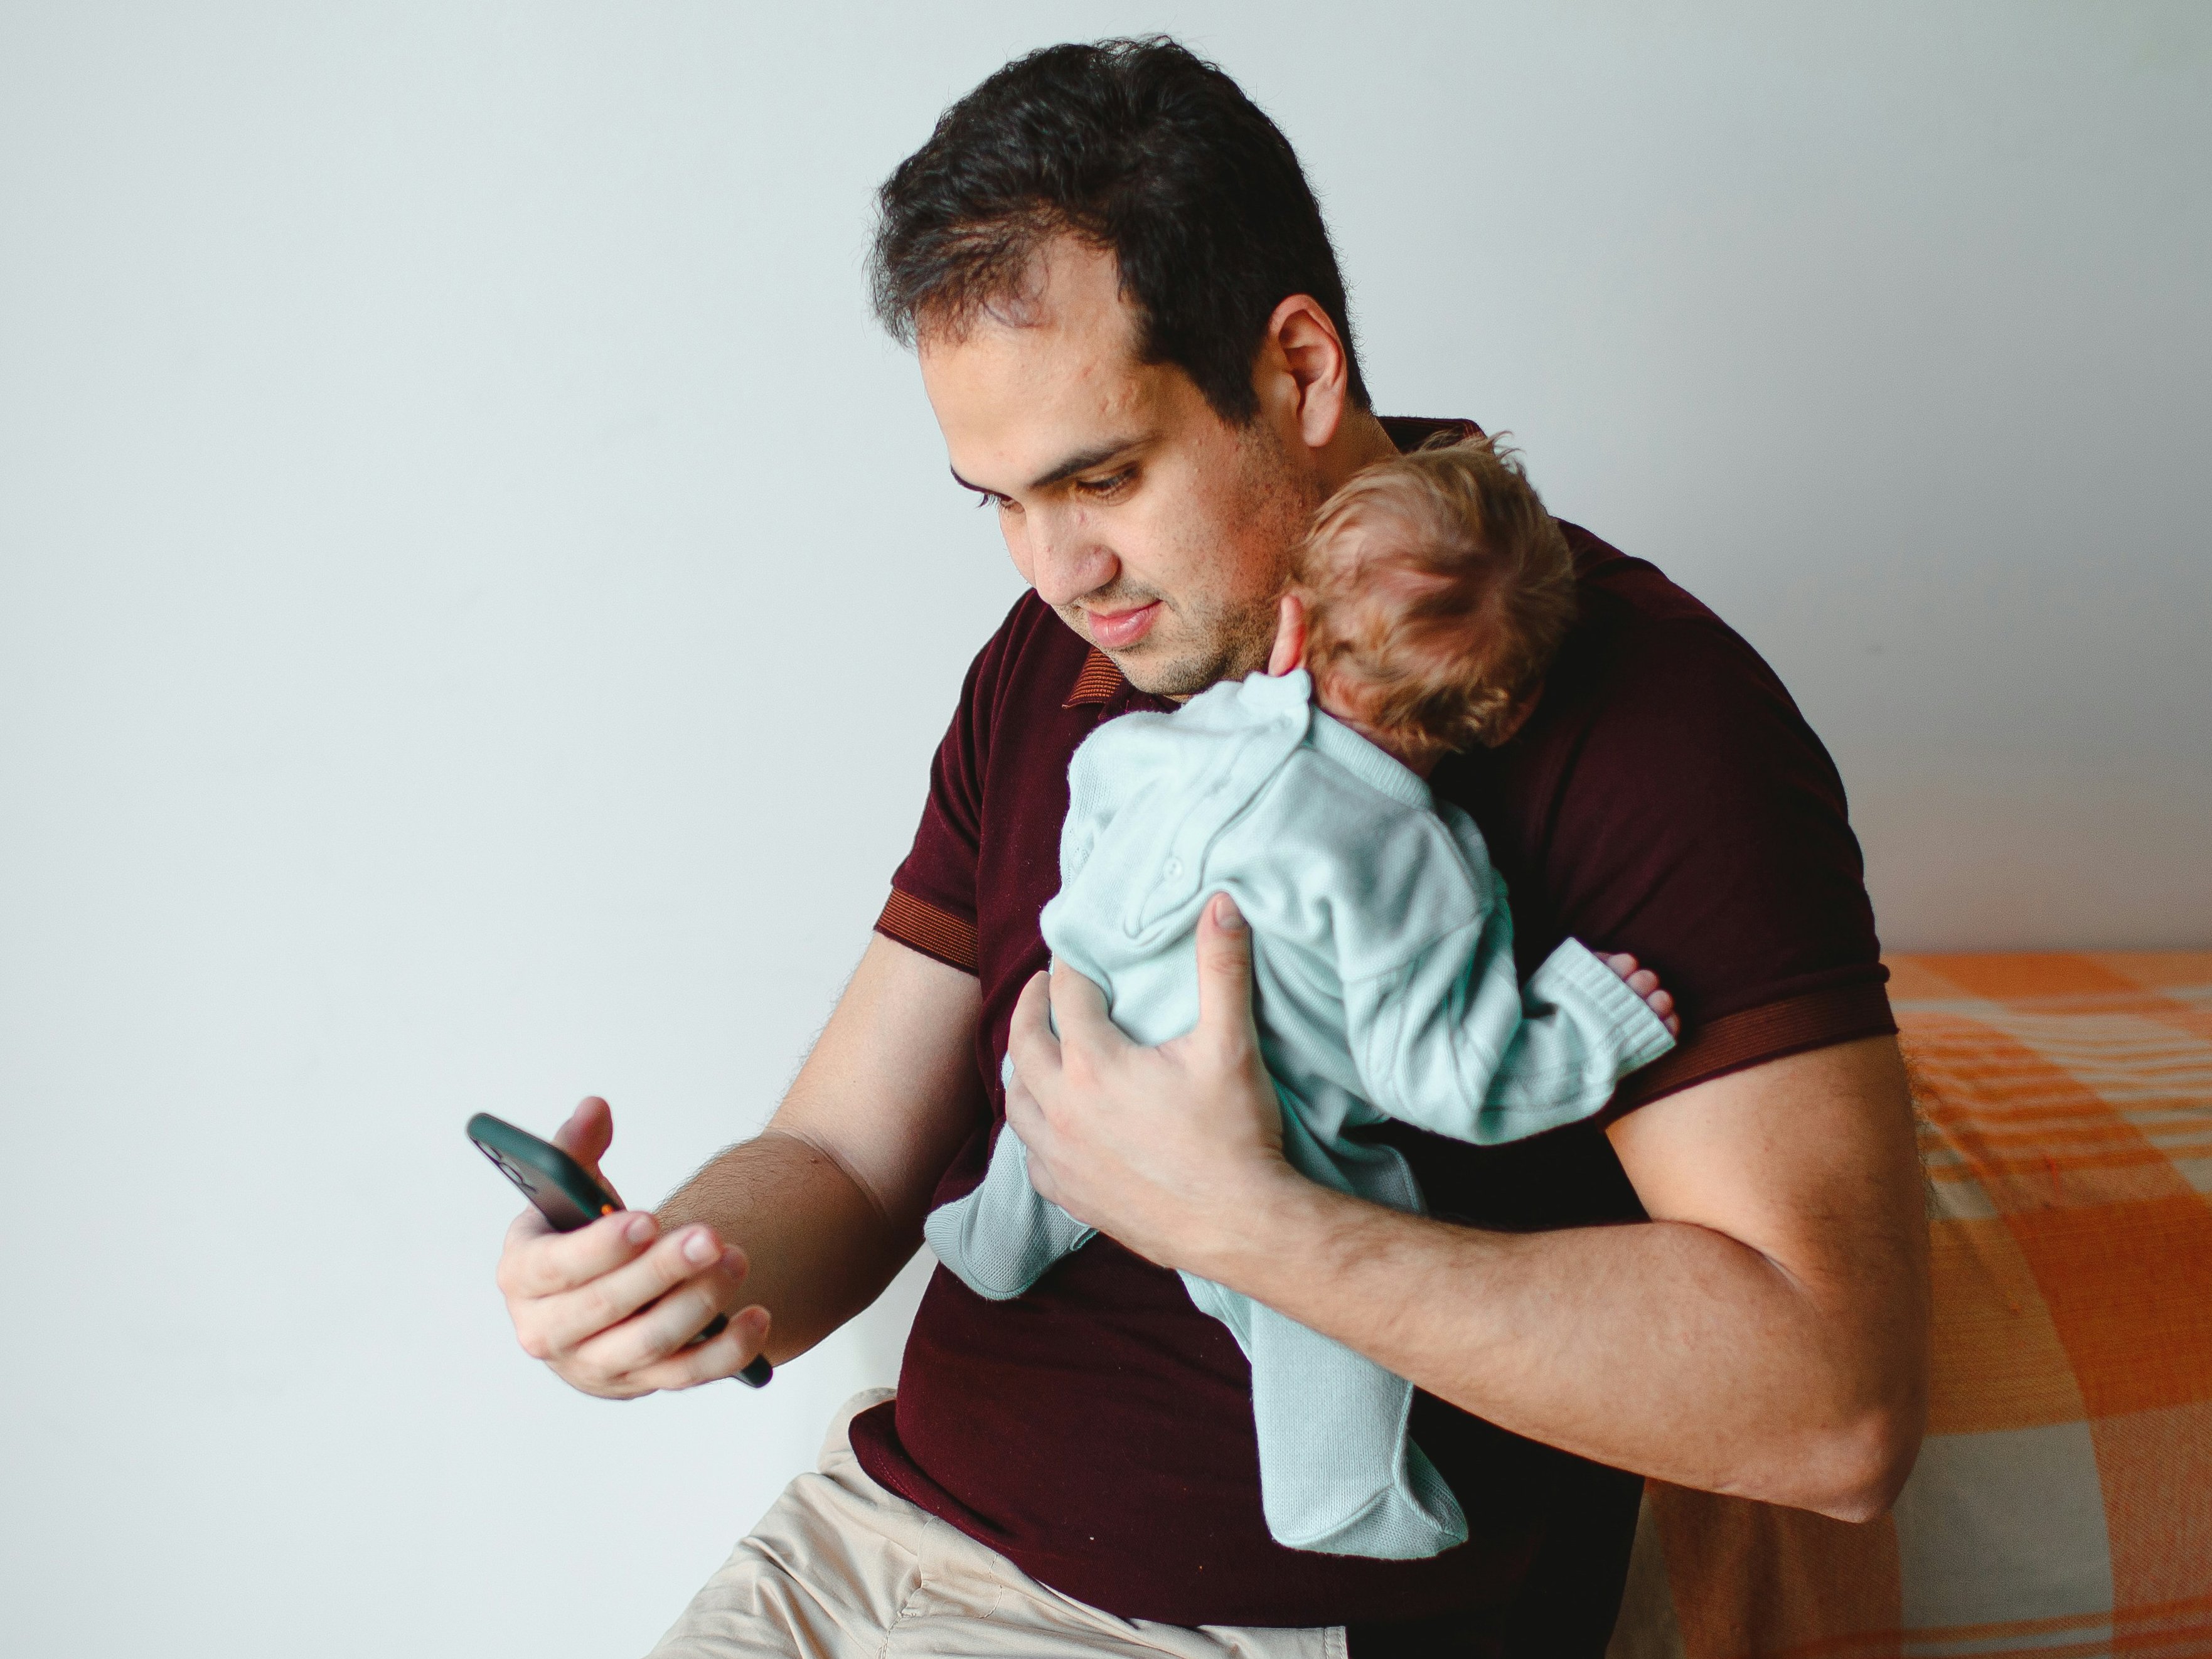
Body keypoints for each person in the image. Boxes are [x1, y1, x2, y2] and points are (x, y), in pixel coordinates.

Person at [492, 36, 1930, 1658]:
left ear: (1297, 368)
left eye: (1100, 476)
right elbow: (845, 1154)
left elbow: (1837, 1407)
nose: (1055, 567)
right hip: (867, 1535)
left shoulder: (1640, 708)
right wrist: (682, 1267)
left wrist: (1249, 1222)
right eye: (996, 500)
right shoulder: (1060, 657)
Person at [926, 435, 1682, 1564]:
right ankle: (1338, 1494)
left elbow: (1095, 781)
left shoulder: (1193, 730)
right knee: (1324, 1295)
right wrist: (1588, 1020)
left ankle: (991, 1238)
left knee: (1042, 1101)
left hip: (1091, 1020)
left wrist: (1096, 910)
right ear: (1502, 717)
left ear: (1288, 628)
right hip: (1256, 1136)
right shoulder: (1416, 866)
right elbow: (1451, 1082)